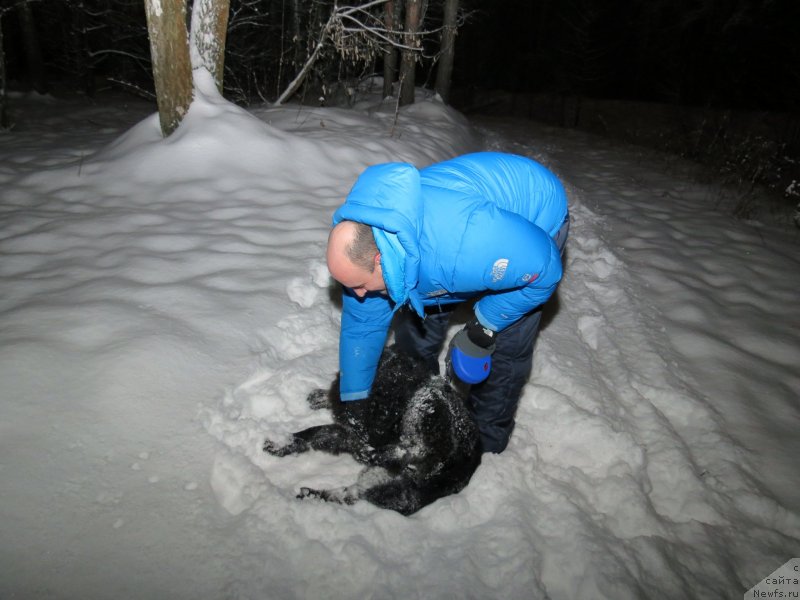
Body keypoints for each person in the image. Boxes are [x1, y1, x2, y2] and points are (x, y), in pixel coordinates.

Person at [326, 152, 569, 453]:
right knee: (415, 328)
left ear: (381, 261)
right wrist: (356, 397)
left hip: (533, 218)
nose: (356, 295)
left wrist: (485, 325)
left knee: (505, 345)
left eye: (359, 286)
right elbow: (361, 326)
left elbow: (544, 270)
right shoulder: (368, 251)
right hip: (446, 252)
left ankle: (483, 442)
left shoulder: (467, 243)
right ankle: (421, 402)